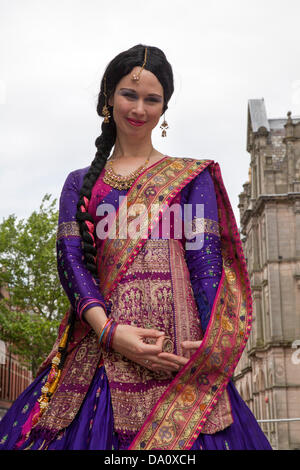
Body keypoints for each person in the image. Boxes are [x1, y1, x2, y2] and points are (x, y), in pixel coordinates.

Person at [0, 44, 272, 451]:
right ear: (109, 99)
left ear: (165, 107)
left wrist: (211, 340)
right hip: (99, 354)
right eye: (130, 95)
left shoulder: (189, 178)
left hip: (178, 359)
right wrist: (109, 332)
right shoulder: (80, 183)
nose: (140, 109)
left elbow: (206, 264)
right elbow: (72, 263)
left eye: (152, 99)